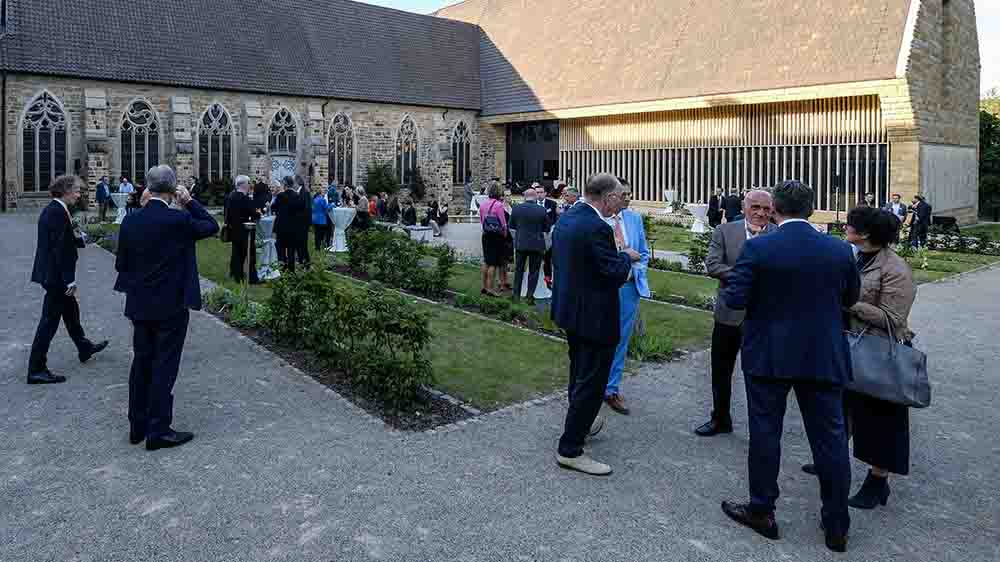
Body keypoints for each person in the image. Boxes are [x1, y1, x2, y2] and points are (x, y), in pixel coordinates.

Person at [719, 180, 859, 553]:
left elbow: (735, 298)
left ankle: (763, 510)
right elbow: (851, 298)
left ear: (776, 209)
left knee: (766, 433)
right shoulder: (840, 249)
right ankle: (837, 525)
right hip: (822, 353)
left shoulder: (759, 247)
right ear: (811, 209)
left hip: (770, 353)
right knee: (830, 440)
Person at [114, 165, 218, 450]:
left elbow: (121, 264)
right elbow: (211, 225)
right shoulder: (178, 220)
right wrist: (189, 201)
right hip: (170, 305)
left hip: (139, 304)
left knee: (141, 362)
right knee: (164, 365)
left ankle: (137, 425)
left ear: (147, 187)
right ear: (172, 190)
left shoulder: (130, 221)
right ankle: (158, 429)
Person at [552, 173, 639, 475]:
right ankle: (570, 448)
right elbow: (611, 272)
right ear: (607, 196)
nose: (620, 203)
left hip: (571, 311)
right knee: (591, 381)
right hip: (594, 316)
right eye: (619, 196)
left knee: (579, 373)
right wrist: (627, 258)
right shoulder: (596, 226)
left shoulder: (568, 216)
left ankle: (581, 425)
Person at [841, 207, 916, 510]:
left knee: (881, 419)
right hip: (850, 344)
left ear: (867, 233)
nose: (845, 226)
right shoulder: (855, 255)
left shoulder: (895, 268)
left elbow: (894, 319)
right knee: (842, 407)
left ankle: (877, 482)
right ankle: (832, 458)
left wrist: (850, 303)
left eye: (851, 224)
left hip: (878, 351)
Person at [694, 190, 777, 436]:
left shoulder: (779, 235)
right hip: (729, 314)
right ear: (744, 206)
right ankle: (720, 418)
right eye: (756, 207)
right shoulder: (725, 231)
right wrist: (747, 277)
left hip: (765, 318)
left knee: (764, 375)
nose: (761, 213)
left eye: (766, 208)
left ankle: (763, 427)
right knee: (721, 371)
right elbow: (713, 265)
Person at [26, 175, 109, 385]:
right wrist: (69, 280)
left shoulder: (59, 210)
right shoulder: (56, 212)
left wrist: (83, 239)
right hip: (56, 277)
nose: (79, 194)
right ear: (65, 191)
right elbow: (60, 250)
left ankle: (84, 347)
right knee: (49, 322)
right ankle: (36, 369)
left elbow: (67, 238)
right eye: (77, 191)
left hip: (53, 274)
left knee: (71, 312)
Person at [603, 187, 650, 416]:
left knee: (621, 339)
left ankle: (611, 389)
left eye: (630, 194)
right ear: (610, 196)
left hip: (628, 288)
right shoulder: (598, 219)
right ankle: (592, 385)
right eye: (624, 195)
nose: (628, 198)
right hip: (603, 289)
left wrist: (637, 267)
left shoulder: (633, 218)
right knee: (599, 338)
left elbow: (642, 252)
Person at [508, 188, 549, 304]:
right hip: (537, 244)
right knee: (534, 271)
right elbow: (547, 228)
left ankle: (516, 295)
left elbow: (511, 227)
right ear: (535, 196)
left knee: (519, 270)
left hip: (521, 243)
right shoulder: (542, 210)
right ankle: (529, 297)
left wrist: (517, 239)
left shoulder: (516, 209)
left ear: (524, 197)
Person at [224, 175, 261, 284]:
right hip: (245, 231)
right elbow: (253, 213)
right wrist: (258, 213)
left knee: (237, 254)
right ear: (243, 184)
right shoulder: (244, 198)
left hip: (234, 230)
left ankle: (237, 275)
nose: (250, 185)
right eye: (248, 183)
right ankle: (252, 278)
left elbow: (227, 215)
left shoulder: (231, 196)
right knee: (250, 254)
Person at [272, 176, 308, 272]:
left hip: (282, 227)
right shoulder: (297, 196)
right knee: (291, 250)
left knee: (281, 249)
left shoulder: (280, 196)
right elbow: (302, 209)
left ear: (285, 184)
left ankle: (282, 269)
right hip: (293, 227)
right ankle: (291, 270)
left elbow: (273, 208)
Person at [479, 182, 509, 297]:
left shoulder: (483, 204)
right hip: (496, 236)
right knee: (494, 263)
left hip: (486, 235)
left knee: (486, 261)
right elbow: (503, 223)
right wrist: (505, 234)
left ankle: (484, 286)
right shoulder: (498, 205)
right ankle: (490, 288)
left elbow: (482, 221)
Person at [539, 185, 559, 288]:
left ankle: (548, 278)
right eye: (537, 192)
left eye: (541, 192)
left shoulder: (552, 204)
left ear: (545, 193)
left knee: (548, 257)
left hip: (549, 235)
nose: (539, 194)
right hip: (537, 235)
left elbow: (555, 219)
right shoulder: (533, 204)